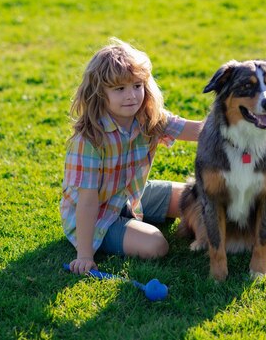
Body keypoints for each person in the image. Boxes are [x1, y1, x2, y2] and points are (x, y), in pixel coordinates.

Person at [61, 38, 202, 275]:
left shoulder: (149, 118)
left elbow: (195, 130)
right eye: (119, 89)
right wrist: (84, 255)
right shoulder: (89, 139)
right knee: (156, 245)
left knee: (198, 197)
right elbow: (87, 202)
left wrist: (240, 125)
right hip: (95, 216)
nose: (131, 96)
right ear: (99, 92)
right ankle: (128, 231)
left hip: (130, 196)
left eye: (137, 86)